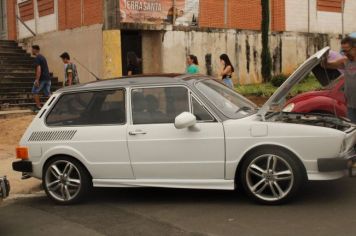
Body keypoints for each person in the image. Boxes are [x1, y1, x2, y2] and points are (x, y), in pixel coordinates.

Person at [324, 36, 356, 122]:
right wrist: (322, 59)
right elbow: (329, 65)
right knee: (352, 129)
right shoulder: (345, 61)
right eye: (343, 51)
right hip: (351, 104)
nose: (345, 53)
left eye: (347, 50)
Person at [31, 45, 51, 112]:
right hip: (47, 78)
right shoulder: (43, 57)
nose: (32, 51)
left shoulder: (37, 58)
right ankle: (54, 106)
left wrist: (37, 80)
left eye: (32, 49)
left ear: (35, 50)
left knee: (34, 92)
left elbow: (38, 69)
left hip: (42, 78)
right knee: (47, 93)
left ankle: (39, 107)